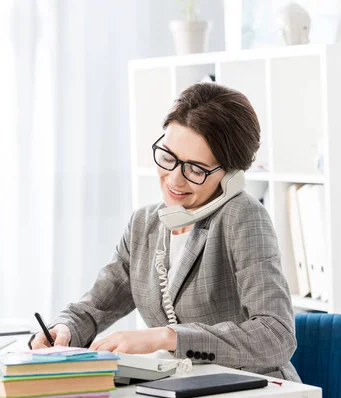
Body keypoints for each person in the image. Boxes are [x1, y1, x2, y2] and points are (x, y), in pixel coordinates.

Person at [30, 82, 300, 381]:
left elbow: (276, 336)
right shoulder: (145, 224)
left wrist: (168, 337)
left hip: (252, 388)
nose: (174, 179)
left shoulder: (242, 216)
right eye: (168, 158)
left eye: (195, 169)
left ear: (232, 175)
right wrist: (63, 329)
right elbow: (96, 306)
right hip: (177, 385)